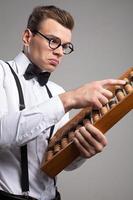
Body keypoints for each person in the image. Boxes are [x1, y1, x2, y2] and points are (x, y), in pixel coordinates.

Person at [0, 5, 125, 200]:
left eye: (65, 46)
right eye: (53, 41)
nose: (59, 52)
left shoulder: (56, 92)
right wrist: (69, 99)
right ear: (27, 37)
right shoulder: (2, 73)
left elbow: (58, 163)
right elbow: (1, 134)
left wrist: (82, 152)